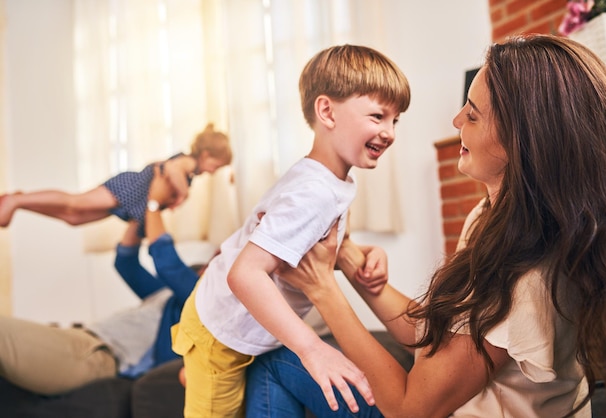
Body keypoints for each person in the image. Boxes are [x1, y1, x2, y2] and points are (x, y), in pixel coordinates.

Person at [244, 34, 606, 417]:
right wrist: (347, 261)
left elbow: (411, 409)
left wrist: (323, 288)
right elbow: (435, 339)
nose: (456, 120)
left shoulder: (530, 278)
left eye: (472, 115)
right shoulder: (489, 221)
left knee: (273, 365)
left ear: (523, 141)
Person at [171, 44, 411, 417]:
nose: (389, 132)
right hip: (222, 332)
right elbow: (245, 274)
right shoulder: (313, 191)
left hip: (237, 325)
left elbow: (312, 241)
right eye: (378, 116)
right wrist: (313, 349)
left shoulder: (331, 180)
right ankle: (199, 365)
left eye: (396, 120)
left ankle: (195, 368)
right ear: (327, 111)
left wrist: (359, 252)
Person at [0, 174, 209, 395]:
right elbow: (126, 263)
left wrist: (154, 204)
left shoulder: (199, 299)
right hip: (84, 339)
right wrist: (141, 213)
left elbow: (168, 264)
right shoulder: (168, 296)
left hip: (98, 357)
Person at [0, 122, 232, 237]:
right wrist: (183, 195)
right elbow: (170, 169)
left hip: (127, 205)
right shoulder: (186, 163)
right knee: (75, 203)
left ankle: (23, 202)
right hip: (128, 189)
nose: (213, 171)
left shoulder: (190, 172)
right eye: (216, 166)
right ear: (205, 155)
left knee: (73, 218)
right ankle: (14, 201)